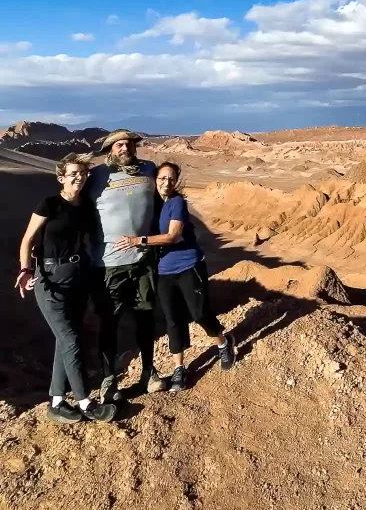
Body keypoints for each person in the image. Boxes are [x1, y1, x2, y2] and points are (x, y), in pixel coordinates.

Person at [115, 161, 235, 392]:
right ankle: (179, 368)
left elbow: (173, 236)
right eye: (162, 178)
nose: (166, 183)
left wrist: (137, 241)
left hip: (188, 265)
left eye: (171, 179)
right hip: (163, 271)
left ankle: (223, 342)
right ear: (155, 180)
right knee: (173, 319)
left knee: (199, 313)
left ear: (176, 181)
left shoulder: (177, 203)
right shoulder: (152, 205)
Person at [15, 154, 116, 423]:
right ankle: (85, 402)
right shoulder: (49, 204)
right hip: (50, 279)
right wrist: (25, 271)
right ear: (61, 177)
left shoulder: (84, 206)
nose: (78, 177)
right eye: (73, 173)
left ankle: (57, 401)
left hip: (78, 278)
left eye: (82, 173)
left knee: (66, 340)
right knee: (72, 340)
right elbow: (28, 240)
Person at [86, 129, 168, 401]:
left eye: (129, 144)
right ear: (110, 149)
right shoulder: (96, 176)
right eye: (119, 144)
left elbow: (160, 204)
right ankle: (109, 380)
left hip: (143, 259)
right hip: (109, 263)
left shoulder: (148, 169)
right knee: (110, 320)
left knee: (146, 316)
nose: (125, 148)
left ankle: (148, 371)